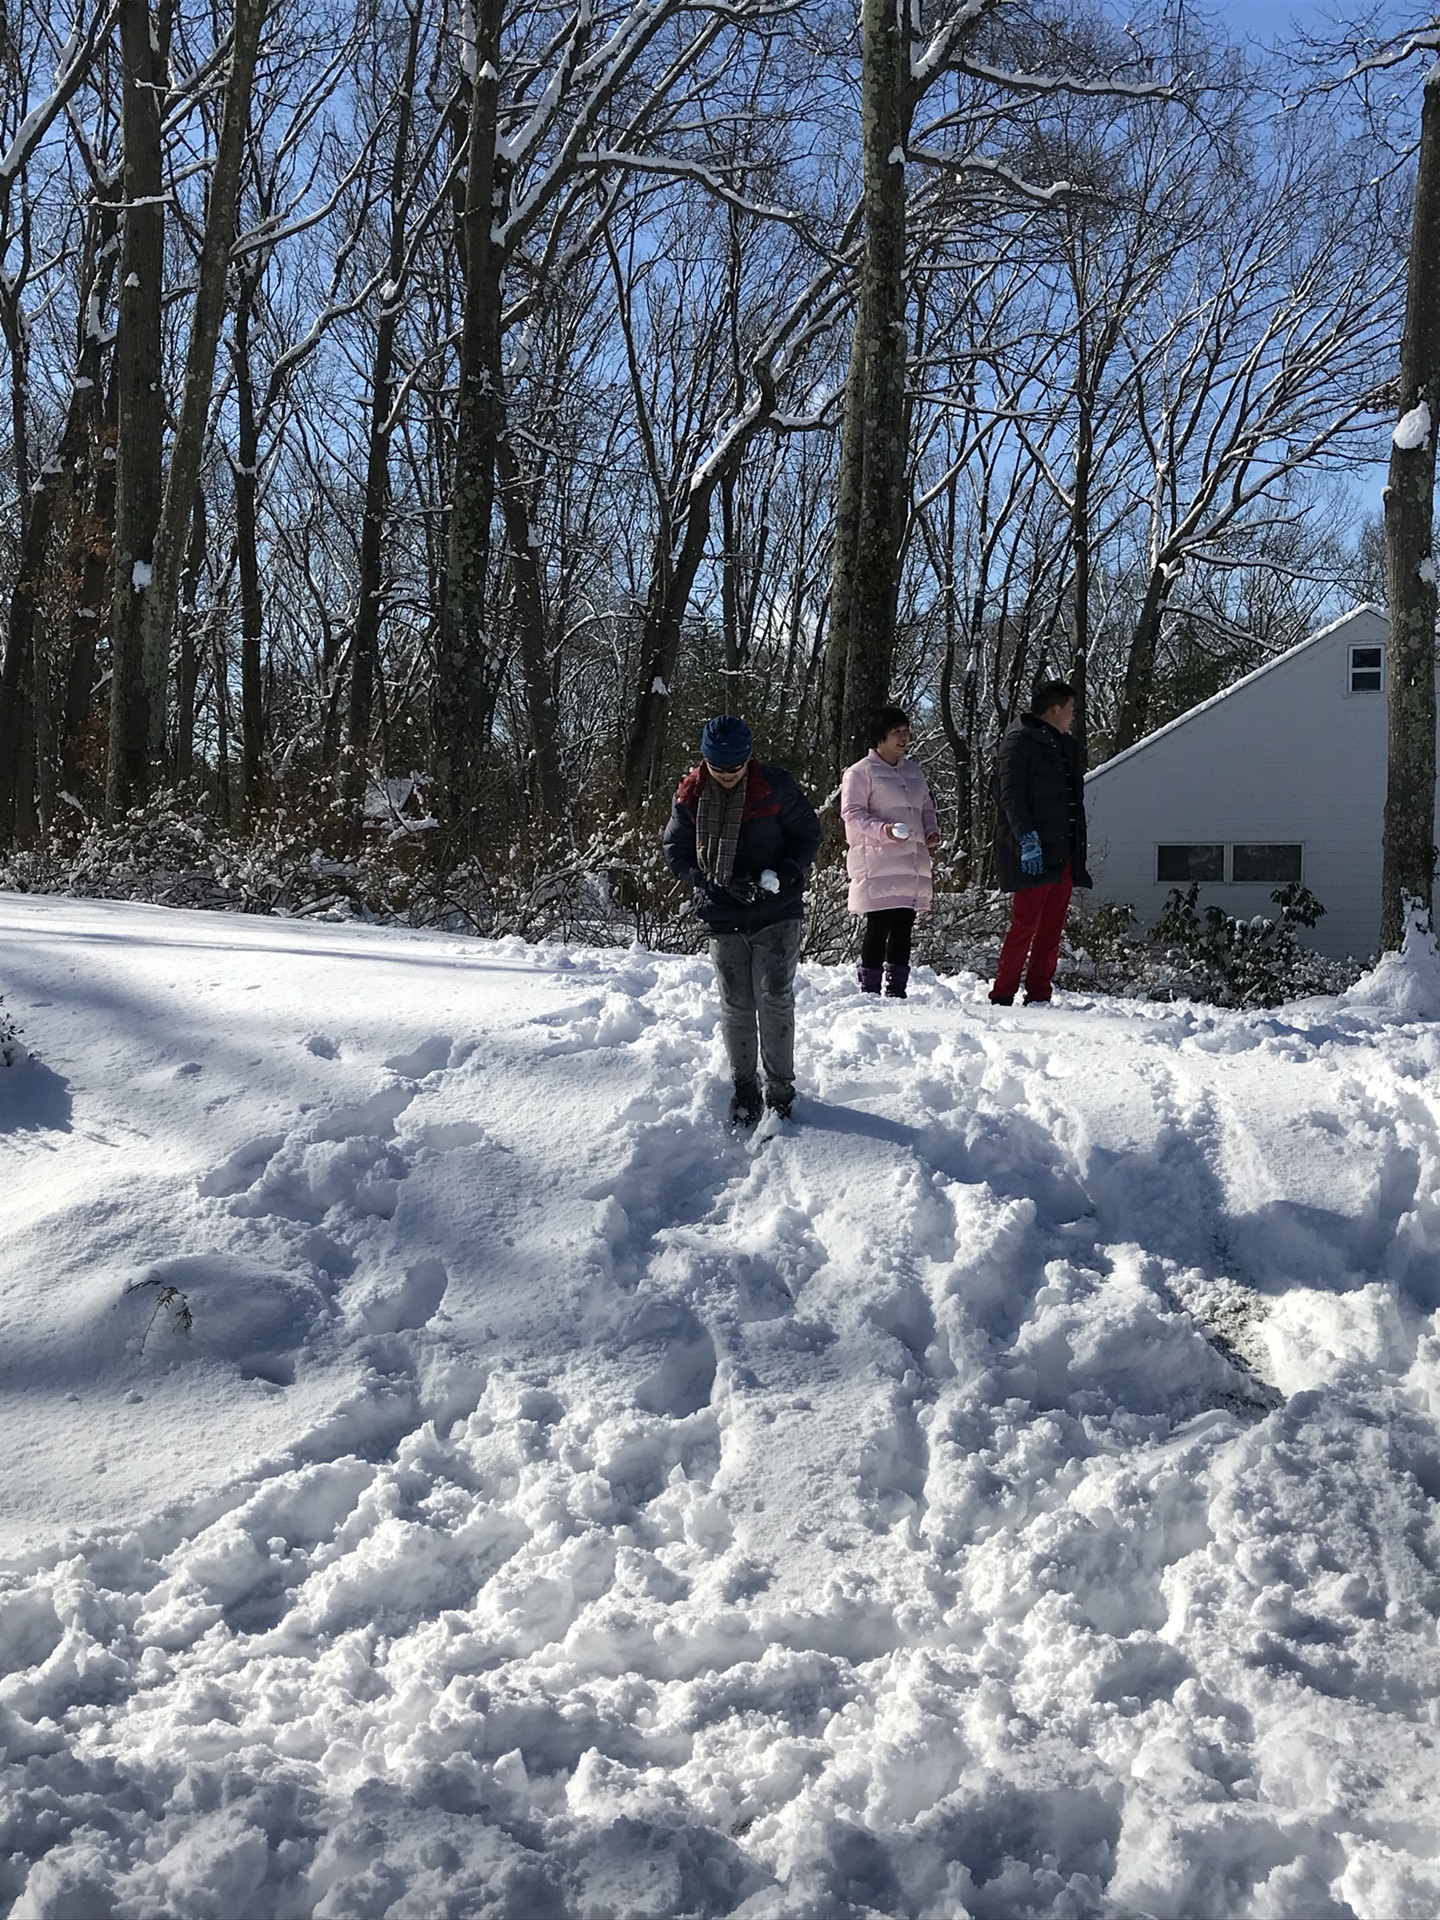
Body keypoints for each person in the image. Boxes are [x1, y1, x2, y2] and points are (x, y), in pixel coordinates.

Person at [663, 715, 821, 1126]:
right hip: (723, 910)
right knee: (736, 1003)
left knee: (774, 997)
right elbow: (675, 849)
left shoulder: (776, 785)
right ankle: (744, 1086)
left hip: (777, 909)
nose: (729, 775)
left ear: (749, 758)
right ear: (705, 761)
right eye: (719, 768)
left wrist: (785, 872)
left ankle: (781, 1090)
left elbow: (809, 834)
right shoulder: (691, 795)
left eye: (736, 767)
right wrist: (708, 882)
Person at [990, 678, 1092, 1006]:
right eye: (1070, 710)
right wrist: (1026, 838)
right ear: (1054, 709)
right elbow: (1010, 795)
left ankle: (1039, 994)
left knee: (1052, 927)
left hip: (1062, 849)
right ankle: (1003, 992)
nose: (1073, 717)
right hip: (1032, 849)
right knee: (1025, 923)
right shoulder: (1019, 742)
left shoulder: (1066, 745)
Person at [840, 705, 940, 999]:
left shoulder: (913, 771)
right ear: (880, 736)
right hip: (877, 862)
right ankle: (869, 990)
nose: (903, 737)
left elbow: (926, 806)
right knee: (879, 924)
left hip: (910, 862)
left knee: (904, 925)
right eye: (896, 732)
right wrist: (882, 830)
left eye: (906, 731)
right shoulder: (860, 772)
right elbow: (852, 813)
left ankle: (897, 990)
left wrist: (930, 829)